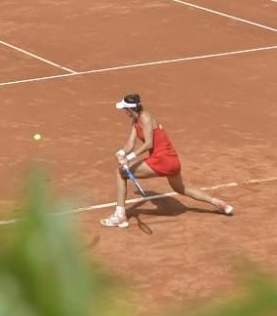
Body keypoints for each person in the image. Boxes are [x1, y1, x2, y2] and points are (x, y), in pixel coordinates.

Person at [100, 94, 234, 229]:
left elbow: (148, 144)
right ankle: (218, 203)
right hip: (172, 160)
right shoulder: (136, 122)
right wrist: (121, 152)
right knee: (180, 188)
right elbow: (130, 144)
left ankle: (120, 217)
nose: (124, 112)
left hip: (161, 160)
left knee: (120, 173)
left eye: (125, 109)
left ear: (130, 109)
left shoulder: (145, 117)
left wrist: (128, 159)